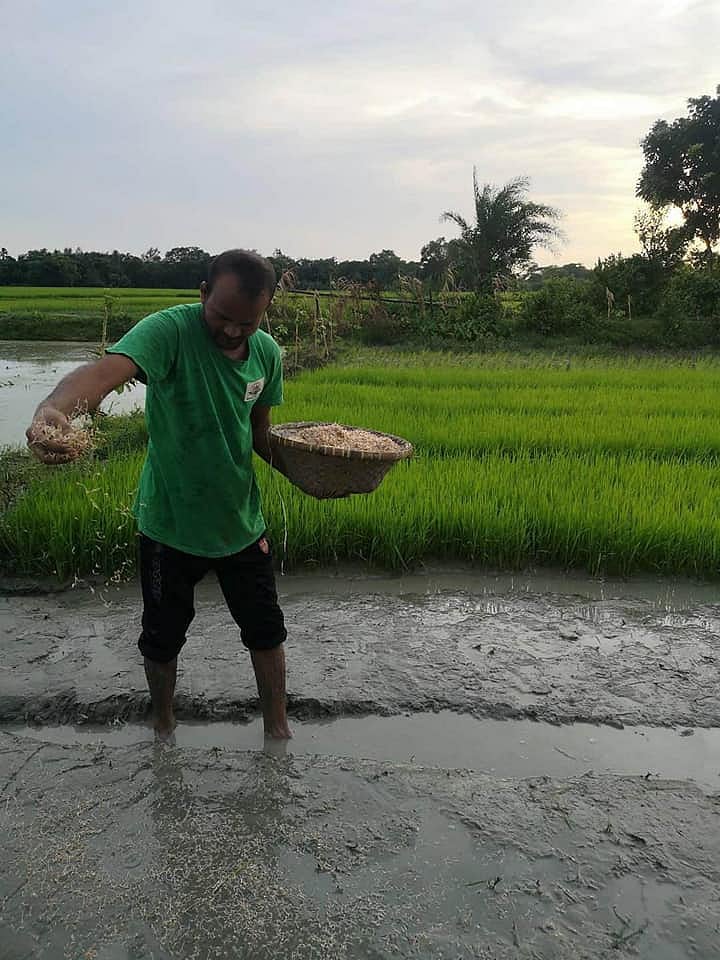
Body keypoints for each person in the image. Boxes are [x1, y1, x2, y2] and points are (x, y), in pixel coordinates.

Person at [26, 249, 295, 740]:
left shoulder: (267, 354)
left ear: (265, 311)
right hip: (168, 525)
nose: (234, 331)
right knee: (162, 638)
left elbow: (260, 437)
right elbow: (107, 371)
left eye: (248, 323)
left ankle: (278, 734)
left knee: (267, 632)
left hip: (240, 522)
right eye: (223, 317)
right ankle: (163, 726)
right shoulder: (170, 330)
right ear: (202, 295)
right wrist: (55, 408)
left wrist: (311, 479)